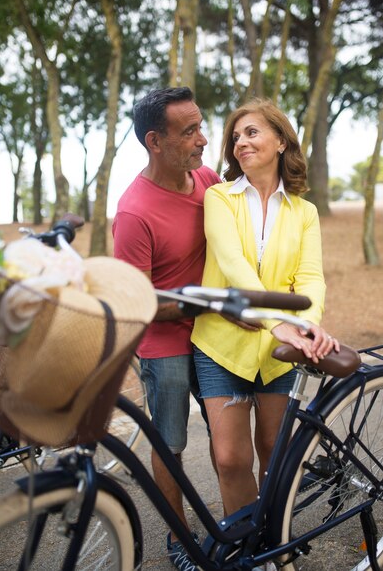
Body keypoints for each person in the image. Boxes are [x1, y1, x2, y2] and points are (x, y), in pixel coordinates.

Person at [191, 98, 340, 519]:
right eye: (235, 137)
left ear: (280, 141)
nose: (240, 142)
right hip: (221, 344)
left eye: (252, 132)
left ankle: (273, 543)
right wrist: (278, 322)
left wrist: (306, 326)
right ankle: (246, 554)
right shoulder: (219, 198)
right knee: (230, 459)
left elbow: (311, 278)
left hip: (281, 353)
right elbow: (233, 262)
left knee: (276, 452)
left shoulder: (304, 212)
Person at [112, 87, 221, 571]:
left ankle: (241, 520)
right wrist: (202, 304)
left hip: (215, 335)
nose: (203, 139)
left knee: (229, 435)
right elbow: (137, 302)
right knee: (171, 445)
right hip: (166, 345)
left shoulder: (206, 179)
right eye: (190, 131)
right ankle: (179, 541)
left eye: (201, 125)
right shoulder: (134, 212)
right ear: (155, 141)